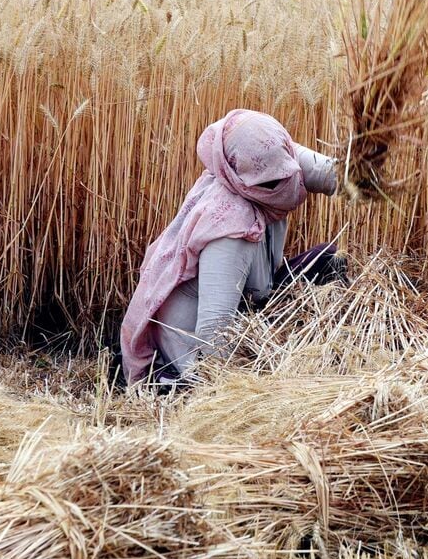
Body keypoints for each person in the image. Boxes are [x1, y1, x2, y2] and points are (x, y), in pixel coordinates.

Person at [119, 109, 346, 390]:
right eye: (268, 183)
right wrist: (238, 389)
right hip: (195, 352)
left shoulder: (257, 159)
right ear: (243, 177)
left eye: (283, 175)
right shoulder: (230, 229)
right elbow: (214, 331)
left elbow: (330, 174)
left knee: (330, 258)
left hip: (249, 300)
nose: (281, 187)